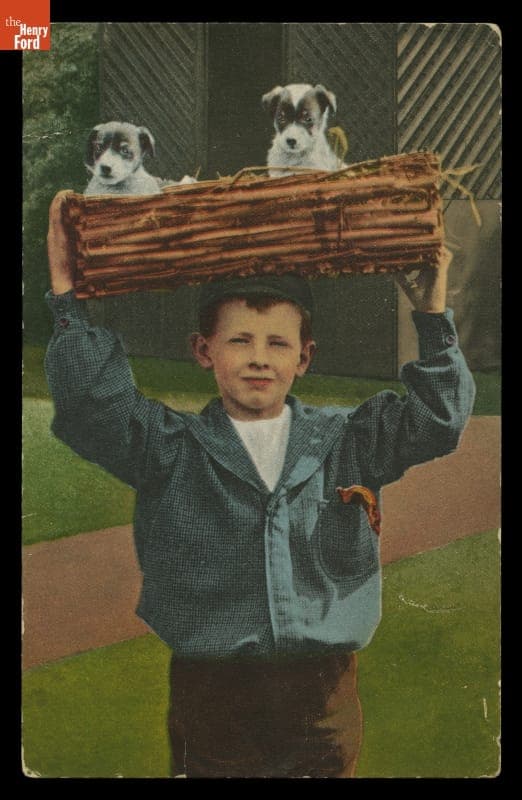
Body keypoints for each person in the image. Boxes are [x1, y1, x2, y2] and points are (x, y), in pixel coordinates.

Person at [44, 190, 475, 778]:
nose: (258, 359)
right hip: (214, 696)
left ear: (304, 357)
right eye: (239, 340)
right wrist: (68, 299)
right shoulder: (170, 448)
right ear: (203, 351)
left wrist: (432, 313)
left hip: (322, 695)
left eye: (277, 343)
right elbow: (93, 405)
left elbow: (440, 417)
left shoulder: (346, 441)